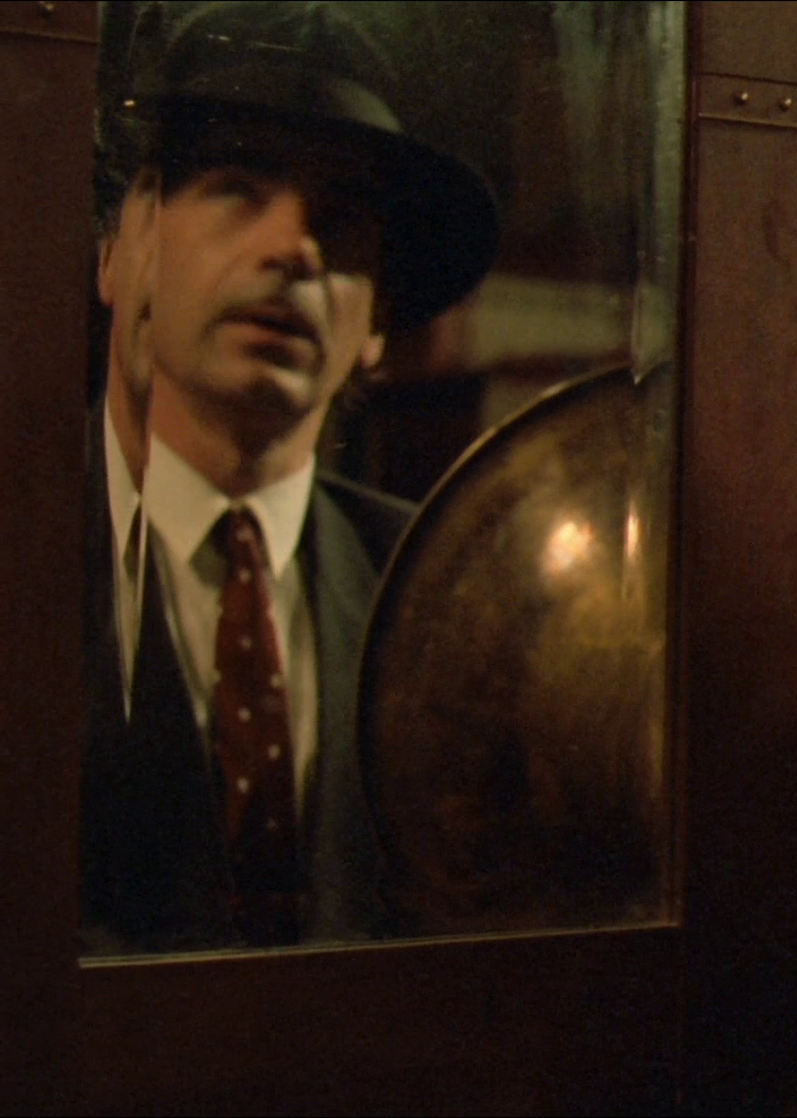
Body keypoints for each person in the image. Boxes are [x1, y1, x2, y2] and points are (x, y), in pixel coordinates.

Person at [81, 1, 498, 954]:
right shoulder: (27, 543)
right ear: (123, 250)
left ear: (377, 321)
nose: (293, 247)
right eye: (238, 187)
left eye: (340, 219)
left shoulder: (439, 597)